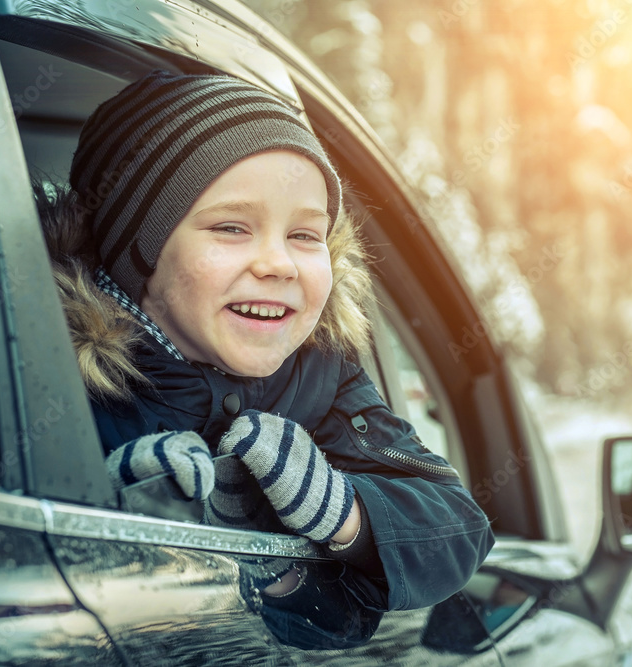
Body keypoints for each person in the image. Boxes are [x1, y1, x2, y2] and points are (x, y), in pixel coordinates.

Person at [37, 70, 493, 647]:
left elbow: (459, 530)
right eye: (232, 227)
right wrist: (109, 505)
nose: (279, 263)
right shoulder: (44, 373)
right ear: (137, 251)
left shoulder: (322, 375)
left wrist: (342, 513)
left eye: (306, 236)